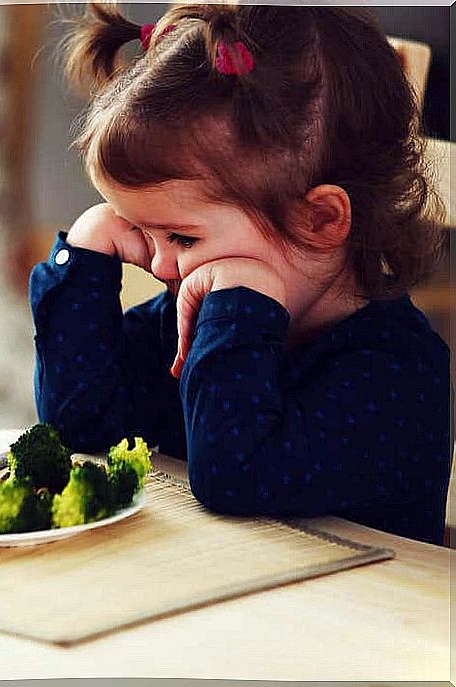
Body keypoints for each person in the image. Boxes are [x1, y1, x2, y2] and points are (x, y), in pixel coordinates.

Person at [29, 2, 453, 545]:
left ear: (319, 220)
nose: (158, 265)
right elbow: (79, 430)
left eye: (182, 238)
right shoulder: (188, 319)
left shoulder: (395, 373)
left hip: (348, 619)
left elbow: (234, 478)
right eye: (140, 230)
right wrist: (84, 258)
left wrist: (241, 307)